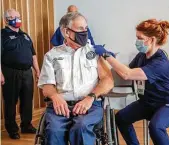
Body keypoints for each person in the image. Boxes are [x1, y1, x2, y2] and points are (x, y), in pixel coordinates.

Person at [38, 12, 114, 145]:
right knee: (54, 130)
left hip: (90, 104)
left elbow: (108, 81)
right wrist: (55, 97)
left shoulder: (94, 52)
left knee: (81, 127)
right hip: (61, 105)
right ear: (66, 32)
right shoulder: (51, 55)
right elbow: (47, 85)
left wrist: (90, 97)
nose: (85, 32)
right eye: (80, 29)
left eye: (86, 28)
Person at [94, 19, 169, 145]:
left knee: (156, 127)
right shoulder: (142, 56)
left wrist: (107, 55)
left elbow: (127, 74)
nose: (137, 41)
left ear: (151, 40)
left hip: (165, 105)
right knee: (121, 118)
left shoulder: (160, 63)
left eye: (140, 38)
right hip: (148, 102)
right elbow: (126, 70)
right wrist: (107, 62)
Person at [1, 9, 40, 139]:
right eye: (13, 17)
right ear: (6, 20)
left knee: (27, 100)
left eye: (18, 17)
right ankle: (12, 129)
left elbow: (33, 55)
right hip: (10, 72)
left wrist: (37, 72)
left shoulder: (25, 35)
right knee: (11, 101)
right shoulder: (2, 35)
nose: (17, 19)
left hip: (27, 72)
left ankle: (26, 125)